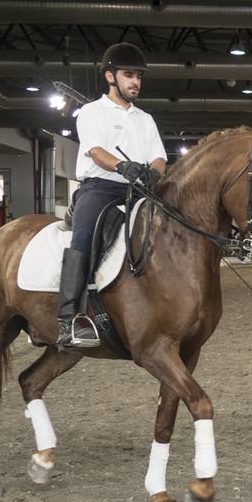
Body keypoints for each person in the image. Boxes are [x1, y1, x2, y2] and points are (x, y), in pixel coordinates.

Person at [59, 43, 166, 348]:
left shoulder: (145, 119)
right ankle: (68, 318)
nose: (136, 82)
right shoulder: (92, 112)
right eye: (129, 75)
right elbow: (94, 151)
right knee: (83, 236)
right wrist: (122, 165)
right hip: (101, 187)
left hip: (139, 188)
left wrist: (154, 173)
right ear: (110, 76)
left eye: (138, 77)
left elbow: (159, 156)